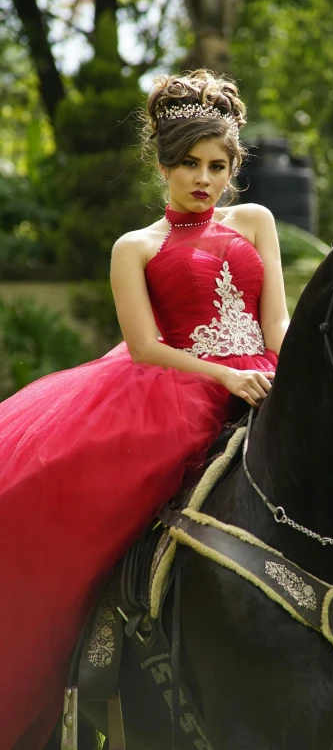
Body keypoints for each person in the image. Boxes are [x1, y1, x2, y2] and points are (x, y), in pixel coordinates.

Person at [0, 69, 289, 750]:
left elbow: (276, 320)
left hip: (267, 376)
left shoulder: (256, 221)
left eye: (217, 165)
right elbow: (146, 345)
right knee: (89, 501)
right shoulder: (137, 246)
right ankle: (101, 639)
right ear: (163, 164)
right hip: (175, 386)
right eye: (189, 163)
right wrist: (224, 374)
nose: (204, 178)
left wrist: (294, 373)